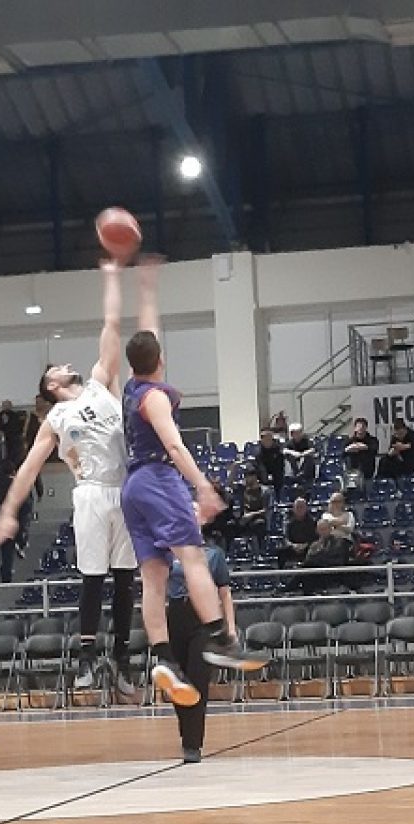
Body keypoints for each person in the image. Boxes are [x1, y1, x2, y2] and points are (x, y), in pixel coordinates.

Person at [0, 257, 143, 696]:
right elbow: (29, 468)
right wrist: (9, 513)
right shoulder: (55, 417)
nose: (65, 363)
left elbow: (112, 327)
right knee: (93, 577)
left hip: (124, 488)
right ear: (50, 385)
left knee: (126, 578)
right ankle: (87, 658)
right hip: (90, 493)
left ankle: (123, 659)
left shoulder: (98, 383)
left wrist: (112, 277)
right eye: (55, 367)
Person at [118, 269, 266, 706]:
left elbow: (146, 341)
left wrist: (147, 290)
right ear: (160, 360)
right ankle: (222, 639)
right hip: (159, 478)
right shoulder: (155, 397)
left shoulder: (132, 387)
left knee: (153, 577)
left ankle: (164, 659)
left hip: (132, 488)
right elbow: (174, 445)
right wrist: (202, 486)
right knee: (194, 558)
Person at [165, 542, 237, 764]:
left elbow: (224, 593)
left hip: (204, 618)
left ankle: (193, 743)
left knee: (198, 678)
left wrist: (230, 628)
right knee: (178, 680)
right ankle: (185, 731)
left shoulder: (214, 554)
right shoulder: (168, 552)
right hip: (175, 614)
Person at [282, 497, 319, 566]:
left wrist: (305, 545)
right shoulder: (288, 522)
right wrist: (293, 545)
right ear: (293, 509)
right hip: (293, 548)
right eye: (297, 507)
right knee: (282, 551)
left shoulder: (313, 522)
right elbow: (285, 538)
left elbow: (315, 538)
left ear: (306, 508)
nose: (299, 509)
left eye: (302, 507)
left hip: (308, 547)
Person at [237, 471, 272, 539]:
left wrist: (251, 515)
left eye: (248, 476)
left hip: (258, 517)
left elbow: (266, 509)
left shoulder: (265, 491)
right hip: (244, 519)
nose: (246, 479)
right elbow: (230, 483)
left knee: (259, 524)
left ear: (255, 477)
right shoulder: (243, 489)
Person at [283, 423, 317, 488]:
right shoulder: (290, 442)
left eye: (298, 432)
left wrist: (302, 454)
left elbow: (312, 449)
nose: (297, 435)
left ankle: (303, 476)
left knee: (309, 458)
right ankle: (295, 475)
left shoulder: (306, 441)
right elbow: (284, 450)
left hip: (305, 464)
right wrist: (293, 453)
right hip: (294, 464)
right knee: (289, 457)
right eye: (295, 433)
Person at [255, 428, 286, 493]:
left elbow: (280, 465)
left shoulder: (277, 450)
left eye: (270, 439)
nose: (268, 441)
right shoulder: (258, 452)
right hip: (262, 476)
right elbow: (259, 465)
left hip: (276, 475)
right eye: (266, 439)